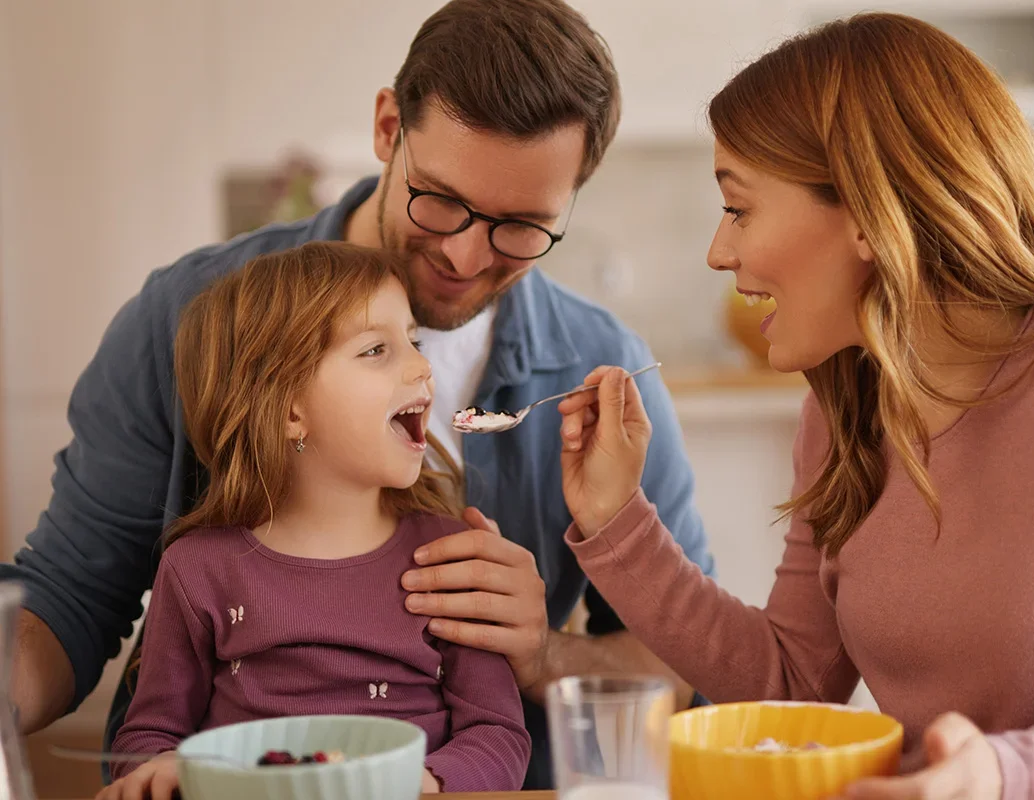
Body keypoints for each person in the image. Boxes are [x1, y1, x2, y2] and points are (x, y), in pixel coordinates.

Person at [3, 0, 712, 789]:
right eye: (440, 198)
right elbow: (67, 598)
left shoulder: (600, 369)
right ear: (387, 129)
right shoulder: (189, 319)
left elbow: (683, 665)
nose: (465, 254)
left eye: (522, 226)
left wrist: (542, 652)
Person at [555, 12, 1034, 800]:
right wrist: (617, 519)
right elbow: (790, 686)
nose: (720, 252)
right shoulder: (844, 407)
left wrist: (1006, 773)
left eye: (740, 208)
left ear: (865, 212)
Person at [103, 242, 531, 798]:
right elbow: (149, 735)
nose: (423, 365)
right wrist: (155, 771)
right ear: (289, 412)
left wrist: (431, 783)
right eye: (377, 349)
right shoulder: (196, 571)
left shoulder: (454, 558)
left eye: (415, 341)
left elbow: (498, 734)